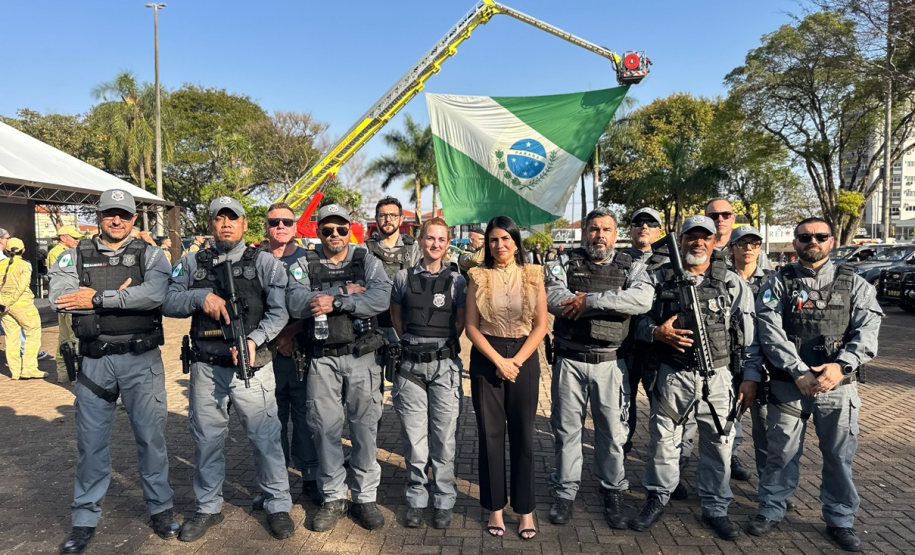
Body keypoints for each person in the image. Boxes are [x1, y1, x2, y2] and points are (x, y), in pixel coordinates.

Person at [49, 189, 177, 554]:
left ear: (134, 219)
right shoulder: (73, 255)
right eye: (109, 214)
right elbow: (62, 297)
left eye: (123, 214)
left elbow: (155, 295)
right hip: (94, 361)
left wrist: (97, 298)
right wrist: (124, 296)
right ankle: (84, 520)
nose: (116, 220)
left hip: (142, 360)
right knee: (91, 447)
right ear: (98, 215)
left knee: (151, 441)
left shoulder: (151, 254)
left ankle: (161, 509)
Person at [162, 196, 295, 542]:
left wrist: (253, 341)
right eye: (219, 218)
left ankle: (277, 504)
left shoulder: (264, 262)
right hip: (206, 367)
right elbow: (168, 301)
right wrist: (198, 298)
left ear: (244, 224)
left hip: (253, 366)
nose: (225, 224)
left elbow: (278, 313)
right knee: (206, 441)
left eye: (232, 218)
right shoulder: (191, 263)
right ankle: (208, 507)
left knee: (265, 439)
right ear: (210, 224)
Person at [747, 218, 882, 552]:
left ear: (831, 241)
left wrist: (840, 366)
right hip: (790, 384)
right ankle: (771, 509)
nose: (812, 242)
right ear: (795, 243)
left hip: (837, 386)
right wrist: (797, 371)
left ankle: (840, 519)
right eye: (805, 237)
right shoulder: (777, 283)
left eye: (820, 237)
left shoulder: (855, 284)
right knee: (781, 453)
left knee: (838, 456)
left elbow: (868, 329)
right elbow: (769, 330)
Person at [629, 215, 759, 541]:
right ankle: (657, 498)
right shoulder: (658, 278)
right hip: (673, 375)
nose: (698, 243)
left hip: (718, 377)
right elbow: (634, 325)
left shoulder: (730, 283)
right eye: (691, 236)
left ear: (715, 242)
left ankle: (716, 508)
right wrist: (656, 333)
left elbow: (748, 337)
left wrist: (748, 378)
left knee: (719, 445)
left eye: (705, 237)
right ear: (680, 239)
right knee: (664, 443)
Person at [544, 209, 653, 529]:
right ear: (585, 232)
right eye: (593, 229)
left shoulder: (631, 265)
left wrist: (589, 301)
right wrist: (613, 299)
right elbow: (555, 298)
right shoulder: (564, 261)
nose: (599, 235)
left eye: (606, 229)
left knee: (612, 435)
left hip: (611, 363)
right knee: (566, 432)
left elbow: (642, 300)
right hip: (570, 360)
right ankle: (564, 493)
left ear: (616, 233)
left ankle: (613, 492)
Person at [285, 204, 391, 532]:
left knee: (364, 428)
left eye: (341, 229)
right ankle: (332, 496)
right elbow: (294, 301)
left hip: (362, 356)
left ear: (350, 230)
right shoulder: (304, 262)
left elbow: (382, 297)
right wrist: (343, 291)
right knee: (325, 428)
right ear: (317, 231)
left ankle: (364, 497)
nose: (335, 235)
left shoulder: (366, 260)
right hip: (322, 358)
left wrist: (336, 301)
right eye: (328, 230)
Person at [465, 215, 547, 540]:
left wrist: (515, 362)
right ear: (487, 243)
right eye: (494, 239)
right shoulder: (478, 276)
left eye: (506, 239)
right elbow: (471, 327)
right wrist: (499, 360)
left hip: (524, 357)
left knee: (524, 438)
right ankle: (495, 508)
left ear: (516, 243)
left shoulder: (533, 275)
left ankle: (525, 511)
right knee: (490, 436)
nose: (500, 245)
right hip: (488, 357)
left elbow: (541, 325)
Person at [389, 217, 466, 530]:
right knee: (414, 440)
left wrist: (441, 348)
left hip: (444, 367)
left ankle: (444, 498)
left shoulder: (457, 281)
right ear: (420, 241)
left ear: (448, 244)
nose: (435, 244)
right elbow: (396, 314)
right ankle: (417, 499)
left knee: (444, 439)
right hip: (410, 367)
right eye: (430, 238)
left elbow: (460, 321)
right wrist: (410, 339)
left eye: (441, 239)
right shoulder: (403, 277)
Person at [255, 202, 321, 508]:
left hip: (302, 348)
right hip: (266, 354)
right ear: (266, 226)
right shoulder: (254, 259)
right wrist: (274, 337)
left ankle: (310, 478)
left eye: (287, 222)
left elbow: (316, 304)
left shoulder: (310, 260)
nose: (280, 227)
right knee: (271, 419)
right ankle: (274, 482)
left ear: (296, 227)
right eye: (274, 222)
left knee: (306, 417)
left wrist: (289, 334)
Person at [726, 226, 797, 508]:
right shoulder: (720, 280)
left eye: (754, 243)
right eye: (742, 243)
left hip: (763, 366)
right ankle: (719, 485)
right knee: (724, 426)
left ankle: (773, 490)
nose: (748, 248)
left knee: (767, 430)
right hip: (727, 363)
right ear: (731, 248)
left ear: (760, 248)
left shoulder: (773, 281)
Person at [619, 208, 665, 454]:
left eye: (650, 223)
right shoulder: (618, 259)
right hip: (625, 343)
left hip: (657, 346)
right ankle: (620, 455)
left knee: (662, 407)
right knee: (623, 403)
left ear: (659, 230)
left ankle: (666, 466)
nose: (644, 226)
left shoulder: (671, 262)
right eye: (638, 222)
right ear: (631, 229)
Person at [364, 197, 420, 346]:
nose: (388, 219)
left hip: (406, 326)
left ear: (401, 219)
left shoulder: (414, 249)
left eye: (393, 215)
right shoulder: (364, 250)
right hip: (373, 327)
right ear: (376, 219)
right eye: (383, 215)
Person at [1, 238, 45, 380]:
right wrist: (11, 301)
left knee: (11, 338)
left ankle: (15, 372)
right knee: (33, 333)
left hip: (4, 307)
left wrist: (4, 303)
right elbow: (22, 286)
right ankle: (29, 369)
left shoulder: (1, 264)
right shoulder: (25, 265)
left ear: (5, 250)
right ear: (23, 250)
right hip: (23, 305)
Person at [47, 226, 83, 382]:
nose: (77, 241)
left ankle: (64, 374)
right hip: (69, 300)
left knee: (64, 339)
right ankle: (75, 374)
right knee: (74, 338)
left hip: (64, 301)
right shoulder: (61, 254)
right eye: (74, 237)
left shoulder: (64, 252)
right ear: (63, 238)